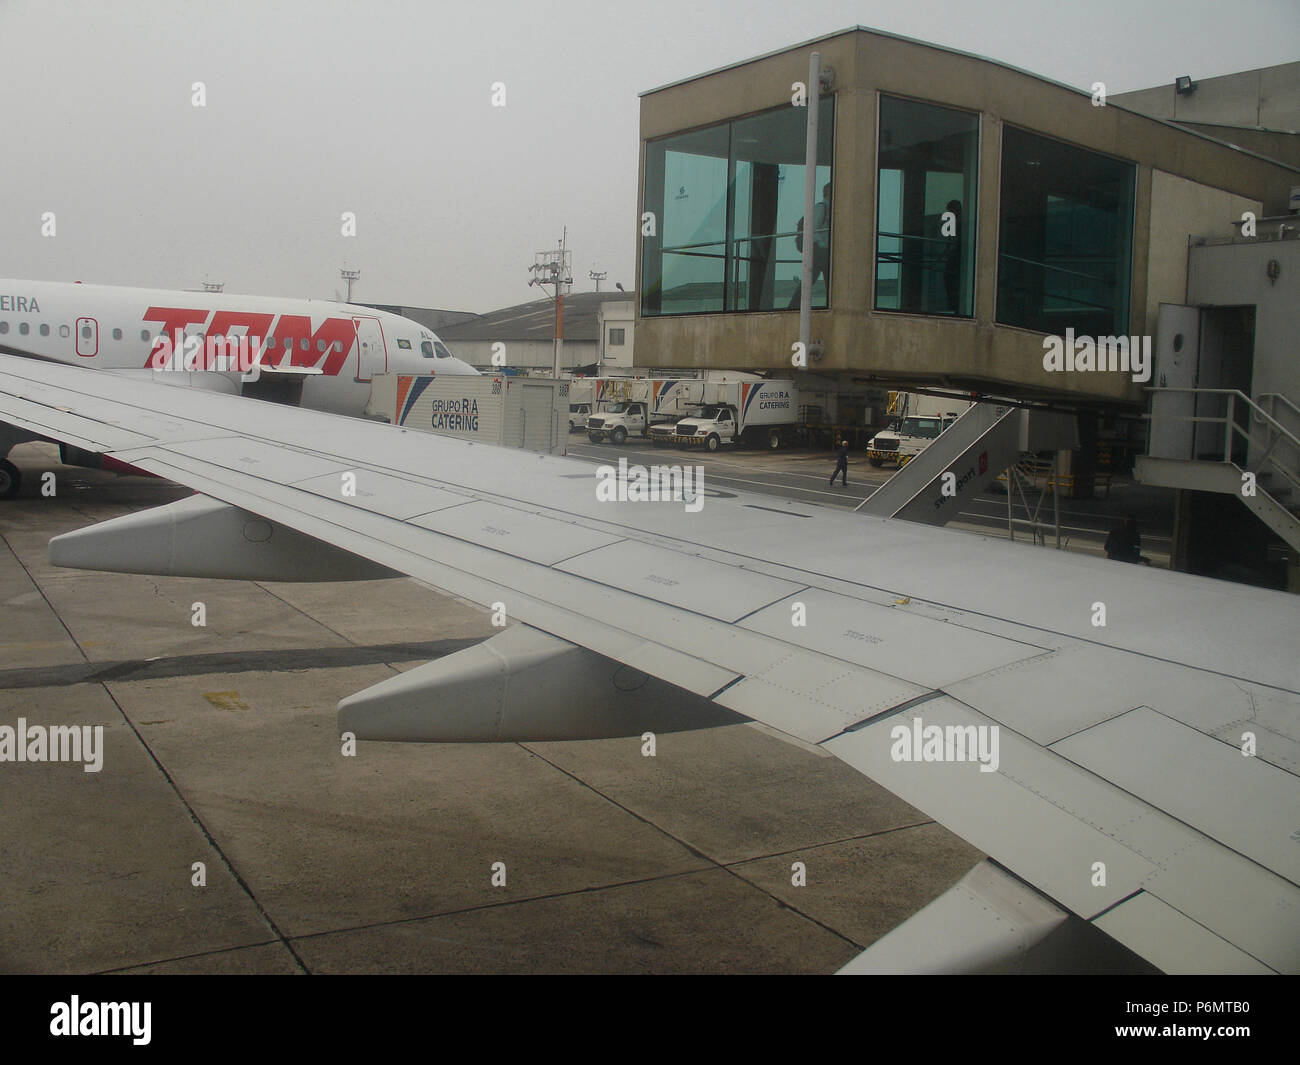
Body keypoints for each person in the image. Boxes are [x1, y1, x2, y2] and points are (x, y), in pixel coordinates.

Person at [788, 183, 831, 309]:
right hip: (818, 250)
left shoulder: (827, 208)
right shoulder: (821, 208)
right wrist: (823, 245)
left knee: (816, 279)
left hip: (821, 250)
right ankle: (793, 306)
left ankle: (794, 306)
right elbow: (813, 230)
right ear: (828, 193)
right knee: (810, 279)